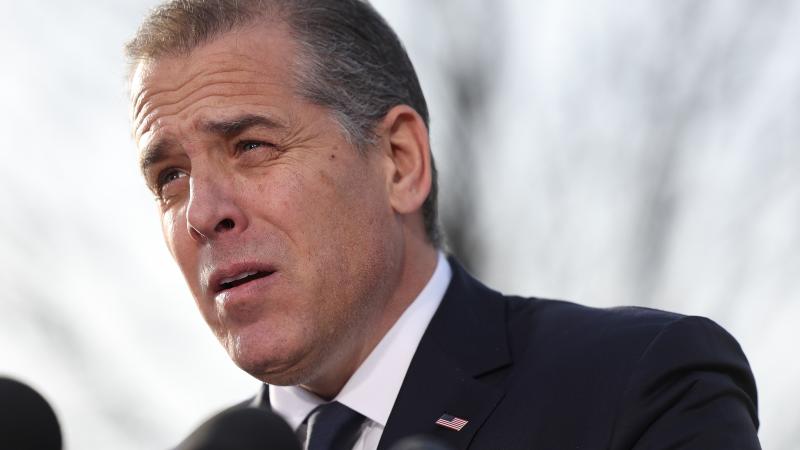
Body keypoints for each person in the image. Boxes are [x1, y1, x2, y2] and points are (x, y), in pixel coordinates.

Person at [125, 0, 760, 448]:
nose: (204, 213)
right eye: (169, 178)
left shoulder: (639, 386)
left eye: (251, 146)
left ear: (399, 162)